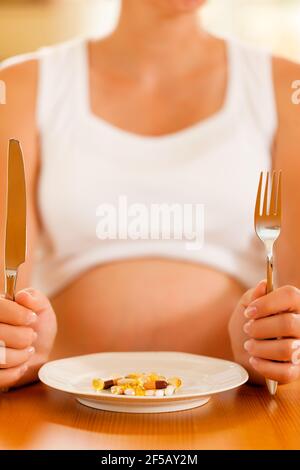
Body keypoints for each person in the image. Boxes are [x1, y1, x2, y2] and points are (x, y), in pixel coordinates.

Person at [1, 0, 300, 391]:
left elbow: (294, 296)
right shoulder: (19, 86)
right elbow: (6, 297)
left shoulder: (286, 88)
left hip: (242, 409)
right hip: (59, 408)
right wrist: (15, 353)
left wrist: (274, 346)